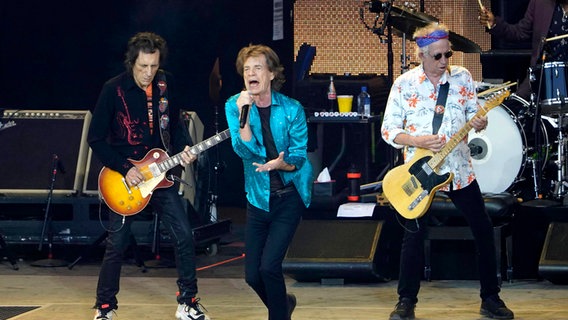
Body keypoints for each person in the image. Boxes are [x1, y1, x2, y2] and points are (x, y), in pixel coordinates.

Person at [381, 23, 515, 320]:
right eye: (438, 56)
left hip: (459, 168)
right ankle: (406, 301)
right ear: (423, 55)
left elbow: (473, 114)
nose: (444, 62)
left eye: (448, 55)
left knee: (482, 229)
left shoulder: (462, 78)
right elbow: (388, 130)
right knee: (413, 237)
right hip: (419, 173)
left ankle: (491, 298)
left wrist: (481, 122)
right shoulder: (404, 84)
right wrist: (416, 140)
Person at [88, 32, 209, 320]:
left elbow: (176, 125)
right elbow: (96, 139)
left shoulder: (165, 84)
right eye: (143, 67)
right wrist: (125, 168)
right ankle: (105, 308)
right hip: (125, 177)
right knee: (116, 243)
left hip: (161, 175)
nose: (148, 73)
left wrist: (185, 149)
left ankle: (188, 303)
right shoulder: (112, 89)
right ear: (131, 62)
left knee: (184, 235)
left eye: (154, 66)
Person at [224, 44, 313, 320]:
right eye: (247, 69)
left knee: (269, 268)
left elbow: (298, 156)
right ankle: (283, 304)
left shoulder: (292, 109)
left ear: (272, 74)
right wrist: (244, 116)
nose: (251, 73)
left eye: (258, 68)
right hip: (258, 198)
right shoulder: (235, 105)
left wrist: (280, 164)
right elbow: (243, 150)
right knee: (253, 276)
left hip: (289, 195)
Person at [479, 0, 568, 100]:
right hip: (541, 77)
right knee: (513, 108)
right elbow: (520, 32)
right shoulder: (540, 3)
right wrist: (494, 22)